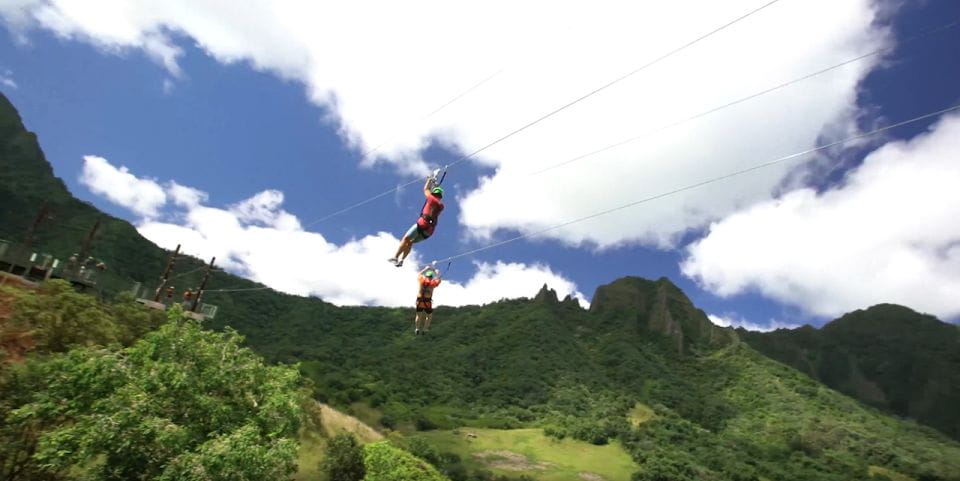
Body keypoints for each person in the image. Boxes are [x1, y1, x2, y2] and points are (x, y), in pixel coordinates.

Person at [389, 176, 444, 267]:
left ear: (434, 193)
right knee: (410, 242)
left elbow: (426, 189)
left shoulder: (431, 199)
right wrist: (435, 185)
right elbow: (432, 194)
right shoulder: (441, 206)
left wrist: (429, 180)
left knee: (406, 239)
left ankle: (395, 257)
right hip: (429, 231)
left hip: (422, 223)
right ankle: (402, 260)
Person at [414, 265, 442, 335]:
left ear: (426, 276)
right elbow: (439, 279)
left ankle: (417, 328)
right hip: (427, 302)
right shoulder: (433, 283)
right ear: (431, 277)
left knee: (418, 315)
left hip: (419, 301)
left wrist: (426, 269)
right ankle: (425, 329)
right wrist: (436, 271)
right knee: (429, 316)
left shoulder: (421, 280)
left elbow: (419, 274)